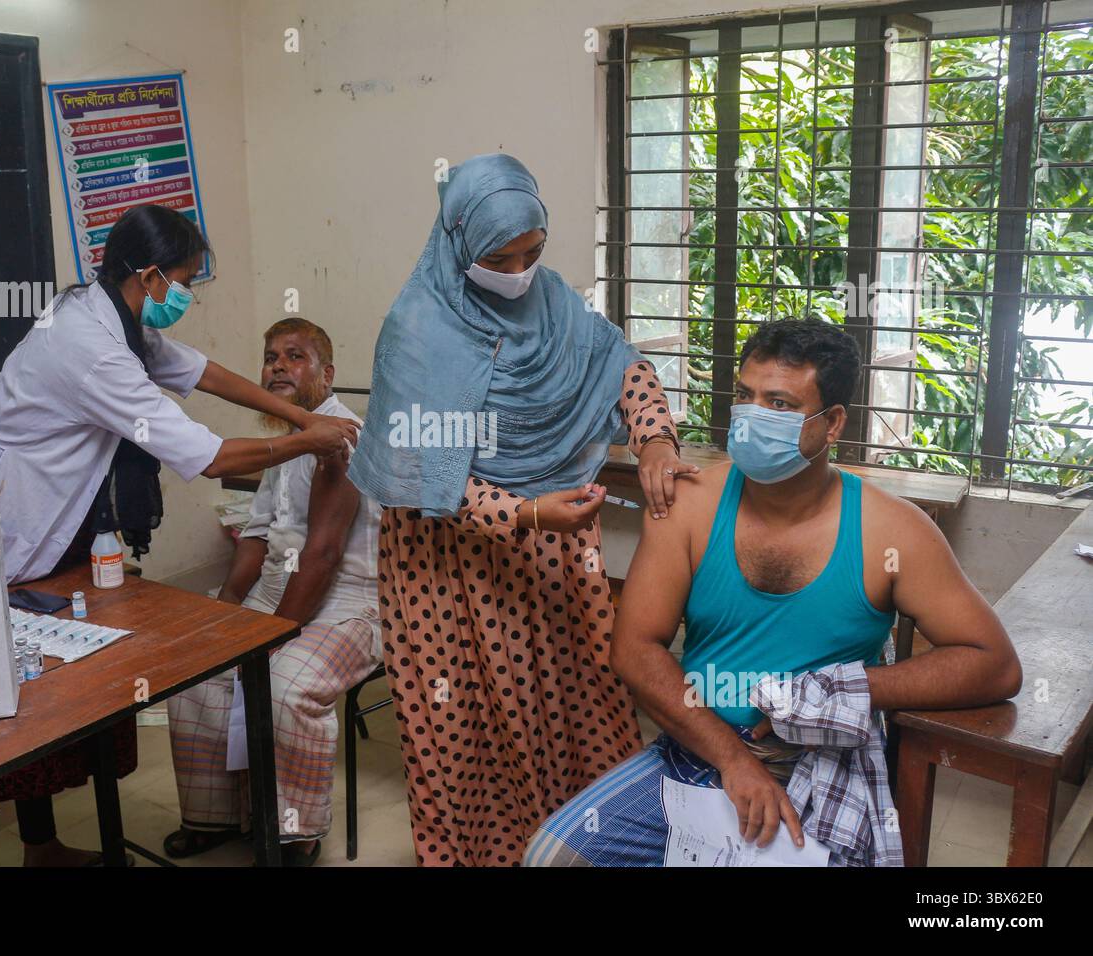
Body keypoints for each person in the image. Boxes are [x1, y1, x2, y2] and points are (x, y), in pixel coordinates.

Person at [0, 204, 357, 867]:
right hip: (4, 510)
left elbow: (203, 372)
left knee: (41, 669)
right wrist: (306, 436)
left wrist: (293, 416)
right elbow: (209, 456)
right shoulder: (89, 346)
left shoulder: (112, 316)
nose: (187, 294)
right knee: (7, 676)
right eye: (186, 279)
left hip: (47, 507)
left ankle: (28, 835)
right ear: (153, 276)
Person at [524, 318, 1022, 867]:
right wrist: (734, 760)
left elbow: (993, 665)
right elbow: (635, 649)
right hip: (701, 748)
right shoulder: (689, 506)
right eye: (745, 395)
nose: (753, 416)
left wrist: (838, 689)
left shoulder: (892, 531)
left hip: (824, 762)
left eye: (780, 404)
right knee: (554, 856)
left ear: (831, 423)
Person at [347, 153, 699, 865]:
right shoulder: (418, 330)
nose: (517, 272)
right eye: (498, 258)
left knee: (577, 706)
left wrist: (655, 437)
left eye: (532, 253)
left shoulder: (554, 303)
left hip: (551, 554)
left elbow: (621, 363)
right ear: (457, 243)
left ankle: (578, 849)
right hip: (448, 567)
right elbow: (424, 471)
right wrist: (526, 513)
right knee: (469, 732)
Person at [164, 318, 381, 866]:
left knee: (284, 685)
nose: (278, 366)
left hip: (349, 603)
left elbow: (324, 555)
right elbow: (256, 535)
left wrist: (271, 636)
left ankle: (296, 832)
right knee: (195, 668)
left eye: (295, 356)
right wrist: (226, 610)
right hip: (281, 588)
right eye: (270, 357)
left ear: (326, 374)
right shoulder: (287, 440)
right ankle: (213, 816)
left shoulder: (341, 437)